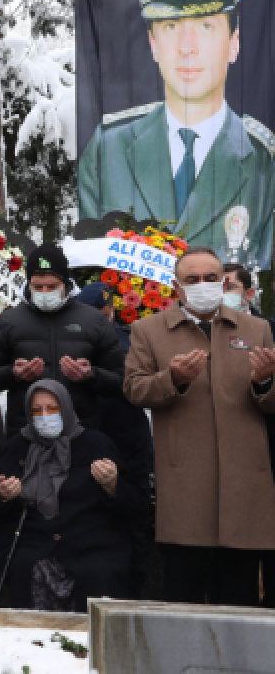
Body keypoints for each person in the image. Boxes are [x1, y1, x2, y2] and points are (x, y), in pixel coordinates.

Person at [77, 0, 275, 269]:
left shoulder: (264, 162)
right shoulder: (108, 150)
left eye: (206, 26)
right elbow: (91, 269)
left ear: (234, 43)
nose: (187, 47)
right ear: (153, 43)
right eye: (171, 26)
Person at [124, 246, 275, 606]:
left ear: (224, 282)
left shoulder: (257, 328)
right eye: (192, 279)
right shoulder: (148, 331)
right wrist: (171, 379)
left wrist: (265, 382)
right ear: (176, 287)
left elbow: (270, 404)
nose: (203, 285)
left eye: (211, 278)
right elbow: (133, 389)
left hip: (244, 486)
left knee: (239, 602)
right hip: (185, 486)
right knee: (183, 597)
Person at [0, 380, 150, 611]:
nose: (44, 416)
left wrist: (112, 486)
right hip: (34, 545)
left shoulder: (96, 444)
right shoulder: (18, 447)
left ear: (66, 408)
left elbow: (136, 503)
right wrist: (1, 494)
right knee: (26, 568)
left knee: (97, 574)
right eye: (37, 411)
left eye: (52, 408)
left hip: (91, 547)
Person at [0, 244, 125, 437]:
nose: (44, 292)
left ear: (65, 284)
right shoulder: (8, 322)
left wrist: (91, 375)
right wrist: (13, 373)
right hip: (25, 434)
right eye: (37, 287)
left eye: (51, 287)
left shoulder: (95, 321)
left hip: (81, 433)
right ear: (28, 284)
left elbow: (121, 381)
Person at [75, 282, 155, 597]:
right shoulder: (71, 338)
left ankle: (133, 596)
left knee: (131, 526)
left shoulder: (130, 341)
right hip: (88, 443)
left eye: (103, 315)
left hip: (127, 443)